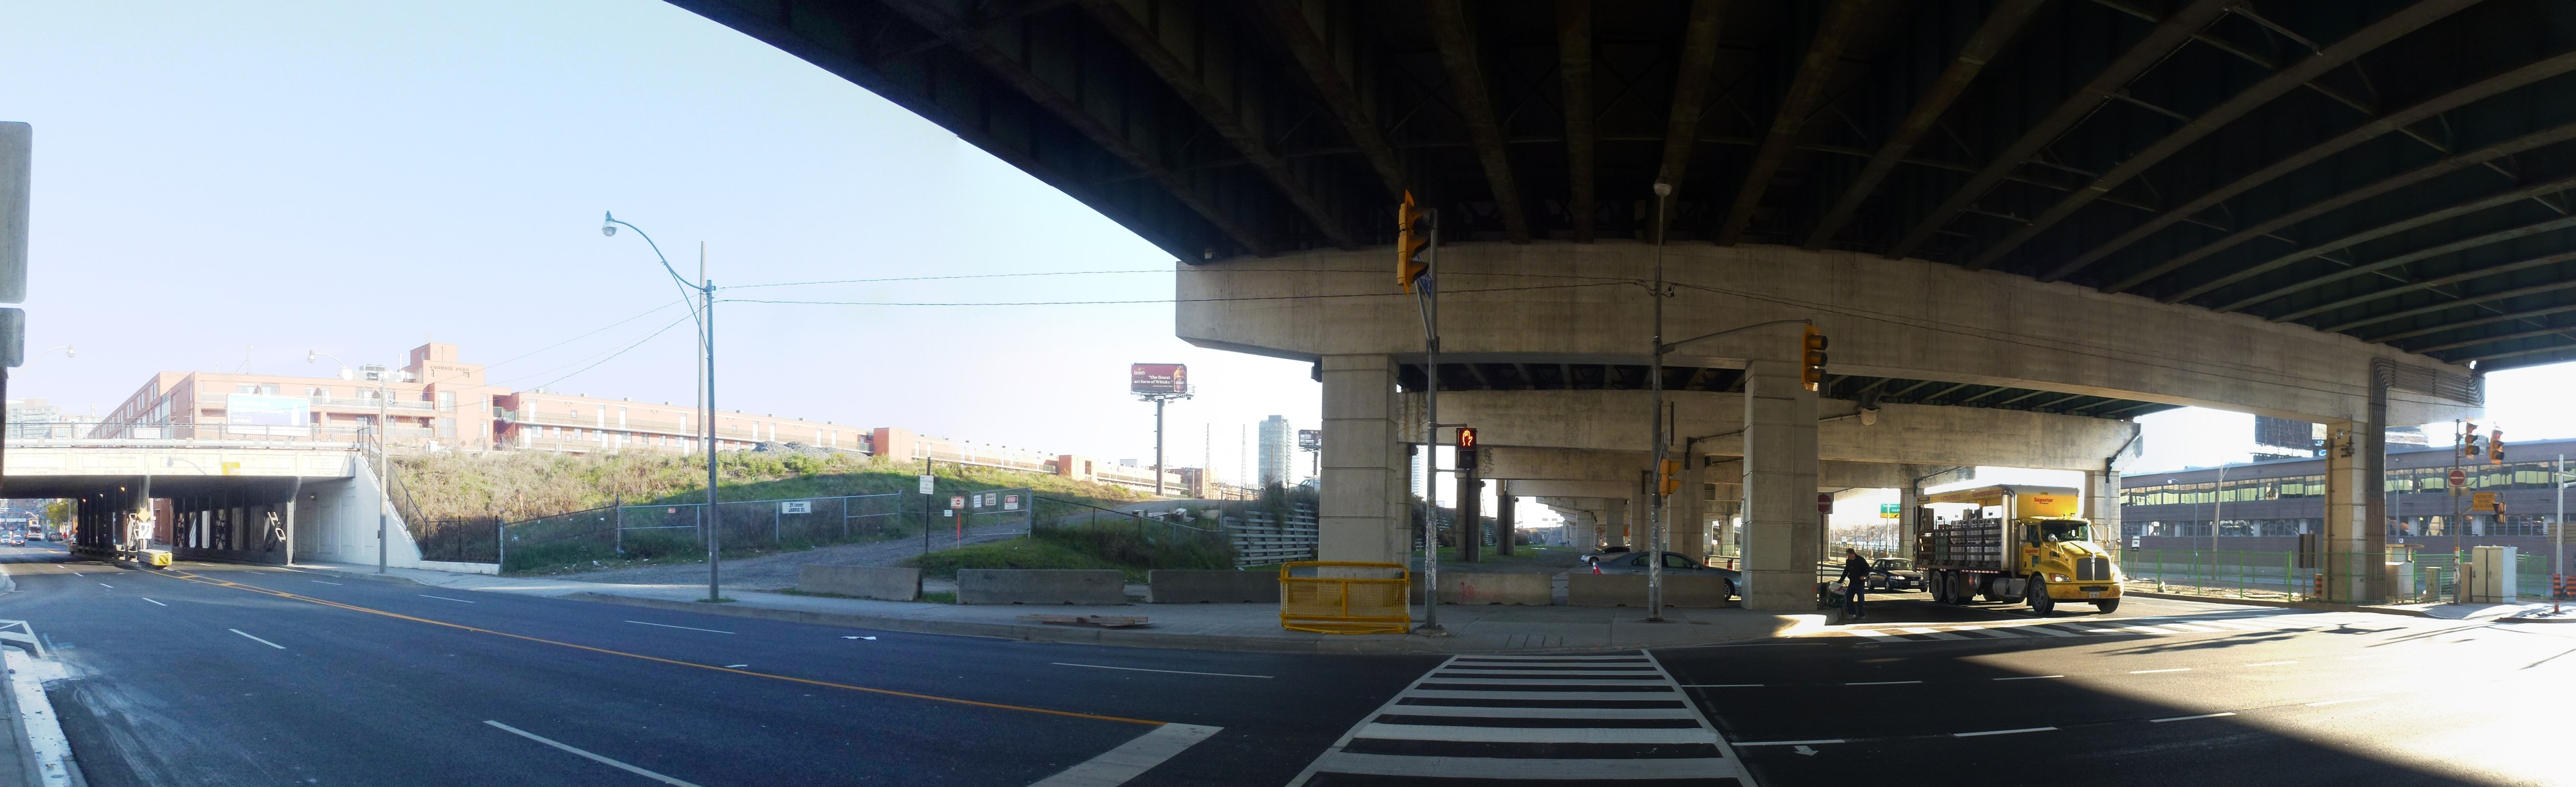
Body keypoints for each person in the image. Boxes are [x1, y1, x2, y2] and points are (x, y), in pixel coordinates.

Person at [1838, 548, 1872, 621]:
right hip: (1852, 582)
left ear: (1853, 554)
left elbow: (1868, 568)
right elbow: (1846, 571)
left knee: (1860, 599)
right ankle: (1852, 613)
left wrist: (1865, 576)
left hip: (1860, 582)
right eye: (1847, 556)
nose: (1848, 557)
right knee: (1849, 597)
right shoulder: (1848, 561)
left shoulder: (1860, 560)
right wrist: (1841, 580)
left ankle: (1861, 614)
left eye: (1849, 556)